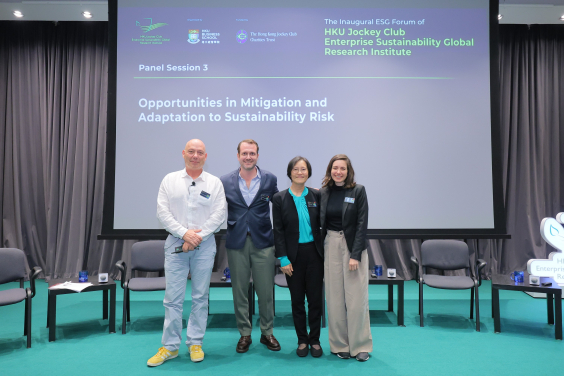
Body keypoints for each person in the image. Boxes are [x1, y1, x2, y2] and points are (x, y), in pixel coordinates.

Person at [148, 139, 226, 366]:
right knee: (173, 299)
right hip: (175, 245)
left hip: (205, 246)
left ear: (205, 156)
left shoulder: (214, 183)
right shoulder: (169, 180)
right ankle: (170, 347)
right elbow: (162, 213)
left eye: (199, 152)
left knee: (200, 297)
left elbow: (219, 215)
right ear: (183, 154)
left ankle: (195, 343)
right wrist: (185, 234)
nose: (195, 155)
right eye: (191, 151)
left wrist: (196, 237)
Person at [220, 139, 280, 353]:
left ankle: (267, 332)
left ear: (257, 155)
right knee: (240, 291)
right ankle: (244, 334)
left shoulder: (270, 179)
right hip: (237, 242)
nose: (248, 157)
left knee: (265, 291)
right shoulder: (224, 180)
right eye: (244, 153)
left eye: (252, 153)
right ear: (238, 156)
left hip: (263, 242)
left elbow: (281, 205)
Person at [320, 154, 372, 362]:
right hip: (330, 245)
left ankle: (360, 345)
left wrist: (355, 254)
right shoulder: (324, 192)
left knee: (357, 299)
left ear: (348, 170)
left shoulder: (358, 191)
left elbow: (362, 224)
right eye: (335, 168)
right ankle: (340, 345)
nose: (338, 172)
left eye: (342, 168)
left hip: (352, 248)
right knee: (334, 299)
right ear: (330, 170)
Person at [272, 156, 324, 358]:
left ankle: (315, 340)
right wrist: (283, 258)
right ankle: (302, 340)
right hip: (292, 257)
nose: (300, 172)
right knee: (297, 301)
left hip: (315, 254)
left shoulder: (316, 196)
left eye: (304, 169)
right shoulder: (280, 198)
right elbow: (278, 231)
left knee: (315, 300)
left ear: (308, 173)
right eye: (296, 169)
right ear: (290, 172)